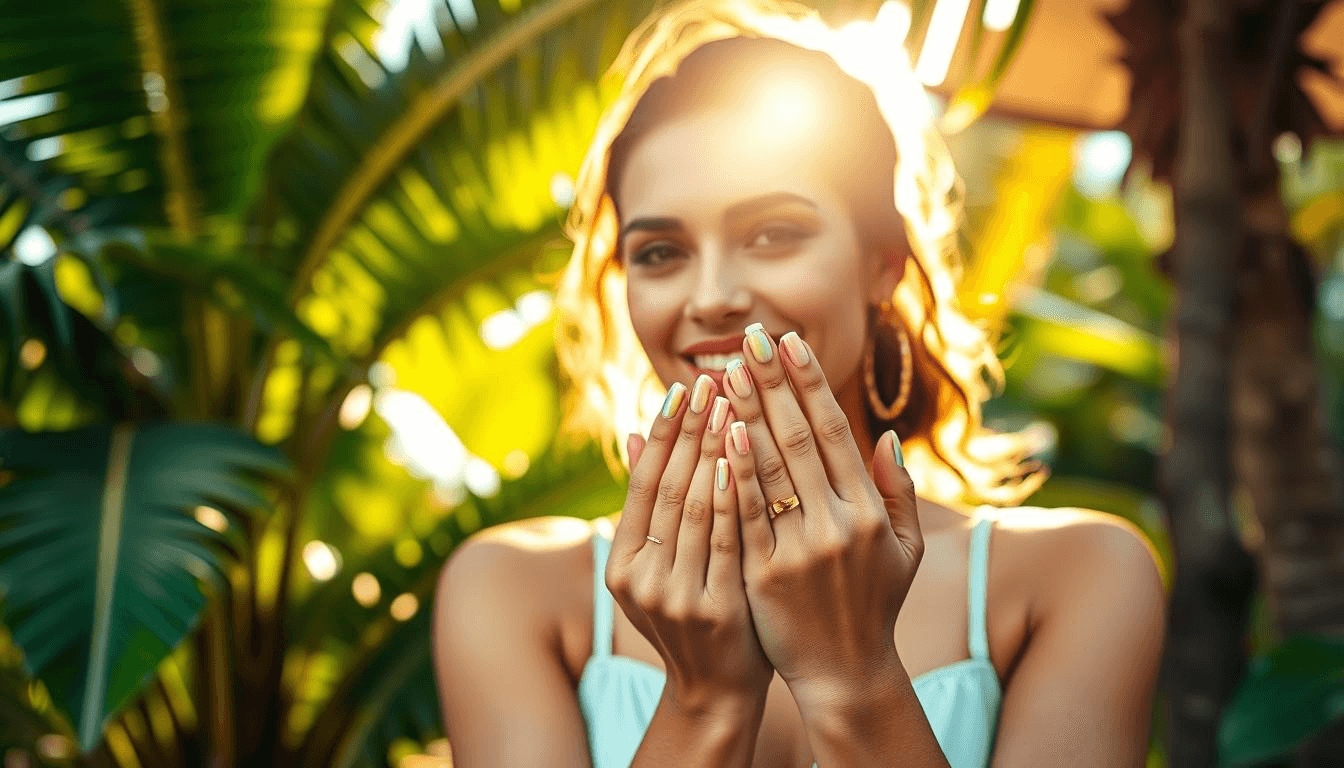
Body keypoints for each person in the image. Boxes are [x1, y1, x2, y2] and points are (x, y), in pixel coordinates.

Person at [432, 1, 1167, 765]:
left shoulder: (1080, 577)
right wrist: (705, 699)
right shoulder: (509, 592)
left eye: (773, 234)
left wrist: (852, 674)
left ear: (882, 263)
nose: (711, 295)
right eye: (660, 252)